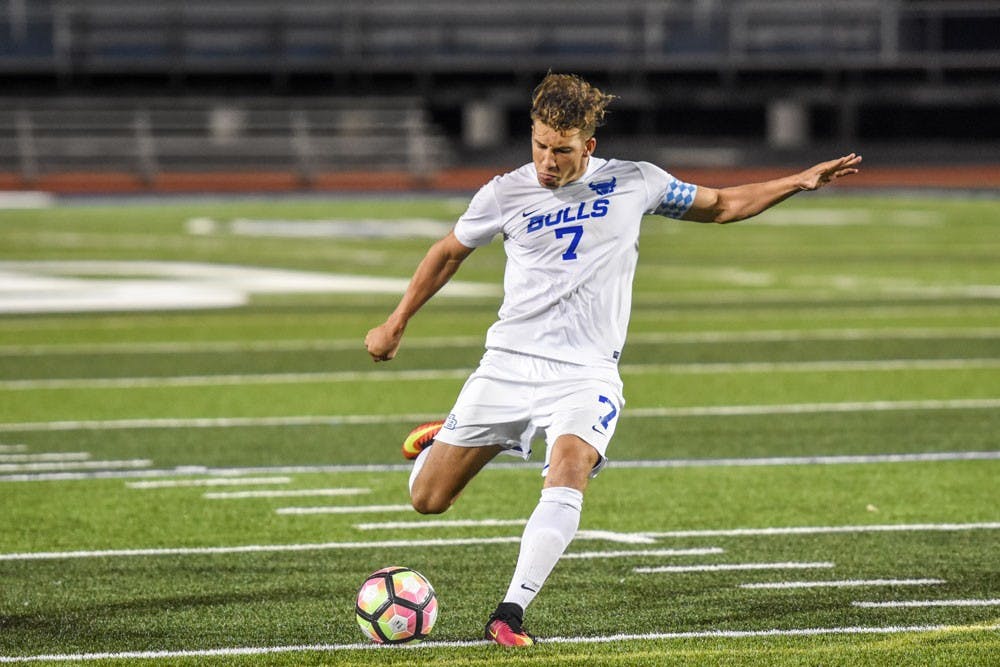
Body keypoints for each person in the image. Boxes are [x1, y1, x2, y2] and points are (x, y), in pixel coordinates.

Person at [364, 72, 861, 646]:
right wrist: (396, 320)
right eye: (540, 146)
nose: (547, 162)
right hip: (508, 364)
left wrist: (797, 180)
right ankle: (442, 439)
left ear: (589, 147)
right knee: (427, 500)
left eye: (562, 151)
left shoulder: (636, 183)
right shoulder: (504, 192)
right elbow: (448, 250)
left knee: (569, 469)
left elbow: (721, 203)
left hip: (587, 373)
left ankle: (510, 612)